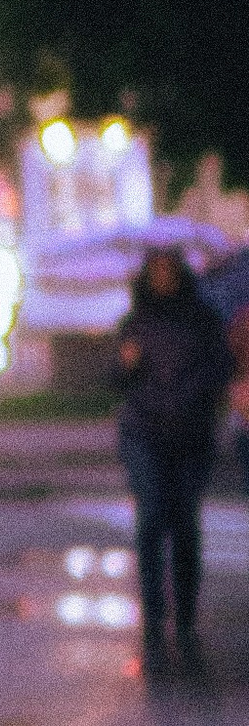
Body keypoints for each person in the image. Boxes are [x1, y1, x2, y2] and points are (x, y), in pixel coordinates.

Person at [114, 245, 230, 670]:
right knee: (150, 520)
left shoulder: (201, 321)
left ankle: (184, 616)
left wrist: (188, 399)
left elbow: (219, 369)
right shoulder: (136, 322)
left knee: (183, 522)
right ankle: (153, 616)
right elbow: (115, 378)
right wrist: (126, 366)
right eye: (155, 272)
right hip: (144, 433)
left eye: (169, 272)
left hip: (190, 435)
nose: (162, 280)